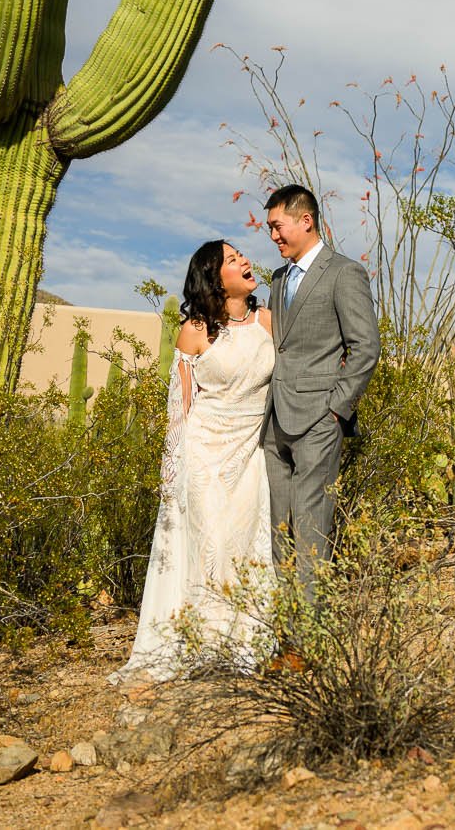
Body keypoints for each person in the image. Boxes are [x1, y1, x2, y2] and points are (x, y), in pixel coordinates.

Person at [112, 239, 277, 684]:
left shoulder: (268, 321)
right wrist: (172, 471)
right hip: (204, 453)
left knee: (243, 545)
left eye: (240, 254)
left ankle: (246, 643)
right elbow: (180, 407)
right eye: (231, 259)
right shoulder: (194, 331)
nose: (243, 260)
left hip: (251, 451)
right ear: (213, 276)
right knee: (210, 545)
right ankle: (206, 642)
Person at [259, 183, 380, 602]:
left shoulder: (344, 273)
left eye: (277, 226)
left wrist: (336, 409)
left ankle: (310, 639)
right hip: (274, 421)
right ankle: (284, 630)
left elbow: (366, 345)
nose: (272, 236)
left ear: (305, 221)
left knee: (311, 529)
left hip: (318, 420)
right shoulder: (277, 278)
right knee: (279, 528)